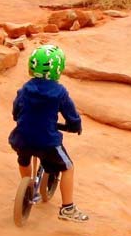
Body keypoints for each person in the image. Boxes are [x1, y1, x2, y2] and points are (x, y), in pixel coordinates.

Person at [8, 44, 87, 222]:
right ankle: (68, 209)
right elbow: (71, 116)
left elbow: (16, 110)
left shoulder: (25, 89)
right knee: (68, 167)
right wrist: (75, 126)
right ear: (58, 68)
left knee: (23, 157)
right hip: (47, 141)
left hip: (21, 137)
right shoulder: (59, 92)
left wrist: (19, 118)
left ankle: (27, 185)